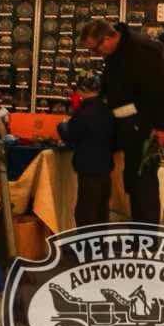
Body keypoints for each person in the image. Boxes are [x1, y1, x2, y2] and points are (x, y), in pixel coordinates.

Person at [79, 18, 164, 225]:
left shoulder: (143, 50)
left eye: (96, 49)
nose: (96, 54)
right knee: (134, 181)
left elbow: (162, 89)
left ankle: (146, 237)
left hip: (146, 127)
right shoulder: (117, 52)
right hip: (126, 125)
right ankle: (137, 229)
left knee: (143, 182)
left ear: (108, 38)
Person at [58, 72, 116, 226]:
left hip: (88, 168)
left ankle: (86, 241)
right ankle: (99, 240)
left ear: (81, 90)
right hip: (106, 167)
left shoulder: (83, 112)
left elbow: (70, 135)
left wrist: (62, 126)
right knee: (102, 209)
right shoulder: (107, 109)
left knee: (86, 210)